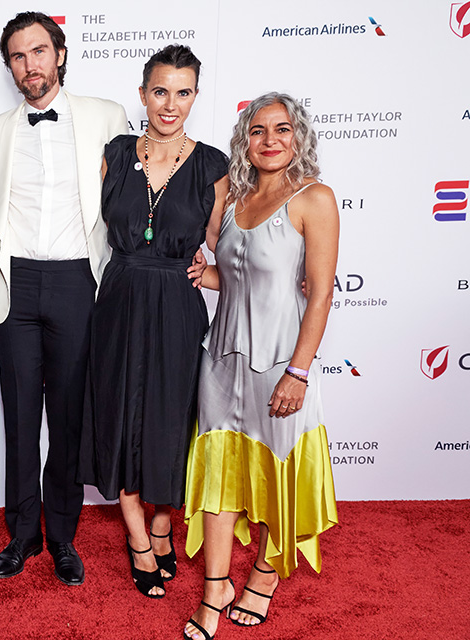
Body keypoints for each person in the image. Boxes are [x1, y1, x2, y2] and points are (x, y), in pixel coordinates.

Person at [181, 93, 339, 640]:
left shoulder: (314, 199)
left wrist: (298, 372)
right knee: (219, 481)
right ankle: (215, 589)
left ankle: (265, 577)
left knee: (280, 475)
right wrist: (206, 278)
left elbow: (319, 294)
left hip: (279, 365)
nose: (270, 140)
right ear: (244, 139)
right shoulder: (233, 197)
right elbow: (242, 278)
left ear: (299, 137)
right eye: (258, 130)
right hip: (220, 362)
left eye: (282, 129)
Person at [0, 11, 128, 586]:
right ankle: (21, 535)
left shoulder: (106, 117)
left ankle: (63, 536)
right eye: (17, 56)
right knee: (19, 417)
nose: (29, 65)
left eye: (39, 51)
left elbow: (137, 191)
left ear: (59, 54)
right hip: (14, 286)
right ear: (9, 67)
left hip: (77, 281)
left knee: (67, 418)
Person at [78, 45, 228, 599]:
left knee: (171, 416)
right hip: (118, 300)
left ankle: (163, 522)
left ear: (194, 97)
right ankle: (140, 538)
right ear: (142, 94)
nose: (170, 105)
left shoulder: (213, 165)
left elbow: (224, 245)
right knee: (119, 414)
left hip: (177, 305)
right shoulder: (115, 153)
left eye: (183, 92)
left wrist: (285, 273)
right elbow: (76, 222)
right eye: (160, 91)